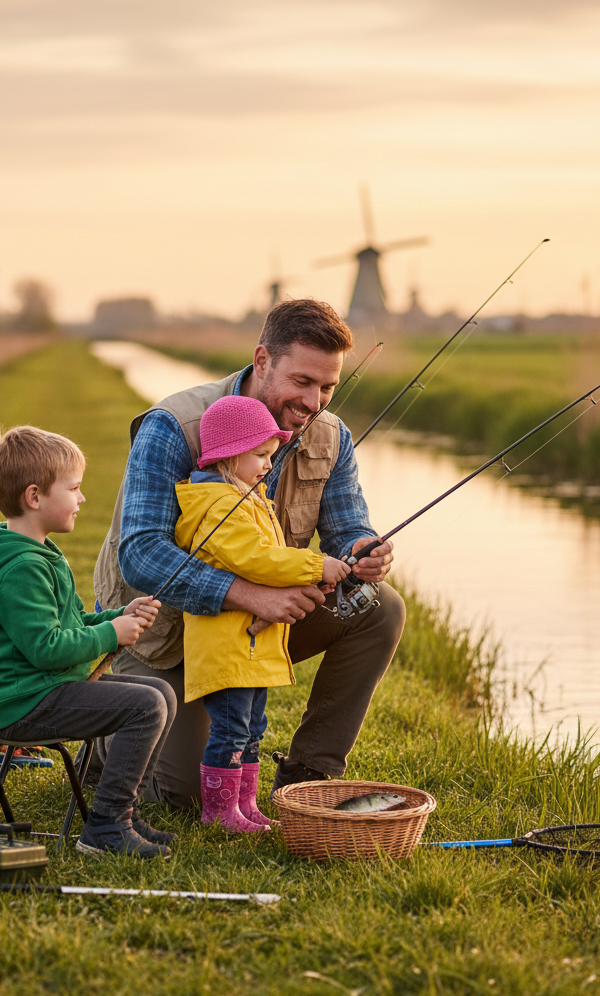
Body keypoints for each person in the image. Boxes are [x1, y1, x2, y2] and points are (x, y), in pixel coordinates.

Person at [95, 298, 406, 808]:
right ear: (262, 360)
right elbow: (142, 554)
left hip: (256, 624)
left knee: (380, 605)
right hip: (163, 634)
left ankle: (308, 775)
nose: (314, 401)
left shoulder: (332, 435)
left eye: (328, 386)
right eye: (302, 381)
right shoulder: (174, 424)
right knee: (183, 796)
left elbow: (347, 526)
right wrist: (251, 595)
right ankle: (109, 736)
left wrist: (363, 549)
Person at [175, 395, 351, 832]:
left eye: (271, 455)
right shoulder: (218, 506)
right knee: (231, 730)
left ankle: (245, 805)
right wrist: (315, 566)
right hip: (229, 648)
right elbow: (256, 558)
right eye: (260, 455)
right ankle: (219, 814)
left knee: (253, 728)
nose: (269, 465)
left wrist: (302, 583)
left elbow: (267, 562)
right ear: (229, 455)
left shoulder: (246, 497)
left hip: (250, 648)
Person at [0, 426, 177, 859]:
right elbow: (47, 647)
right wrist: (111, 635)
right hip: (23, 702)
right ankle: (106, 826)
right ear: (34, 497)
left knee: (161, 692)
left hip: (44, 688)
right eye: (74, 488)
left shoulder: (41, 552)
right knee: (146, 705)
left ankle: (125, 812)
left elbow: (72, 622)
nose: (82, 498)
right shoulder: (23, 567)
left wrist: (117, 616)